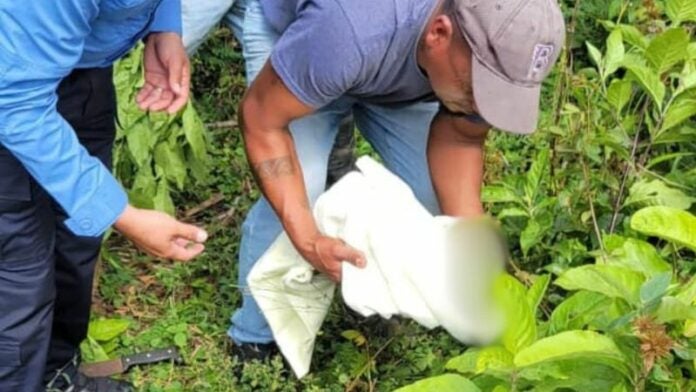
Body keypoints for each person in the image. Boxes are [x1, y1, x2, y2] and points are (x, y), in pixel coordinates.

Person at [229, 0, 565, 361]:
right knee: (300, 193)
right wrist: (308, 240)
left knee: (433, 208)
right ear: (439, 33)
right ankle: (255, 339)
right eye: (479, 91)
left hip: (397, 73)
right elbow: (262, 120)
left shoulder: (489, 46)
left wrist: (470, 243)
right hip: (305, 50)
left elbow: (461, 136)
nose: (483, 108)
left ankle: (373, 296)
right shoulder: (348, 27)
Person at [0, 1, 208, 391]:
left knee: (75, 245)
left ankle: (56, 377)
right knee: (17, 281)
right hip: (12, 91)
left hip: (77, 67)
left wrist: (164, 27)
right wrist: (123, 214)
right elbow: (14, 104)